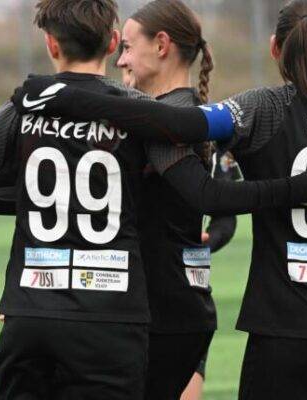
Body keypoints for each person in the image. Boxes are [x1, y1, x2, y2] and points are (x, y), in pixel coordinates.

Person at [0, 0, 307, 398]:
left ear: (50, 43)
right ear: (110, 42)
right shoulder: (144, 118)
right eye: (122, 47)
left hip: (49, 313)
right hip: (117, 317)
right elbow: (200, 194)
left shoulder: (28, 108)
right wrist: (302, 187)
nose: (124, 58)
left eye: (131, 48)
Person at [11, 0, 307, 398]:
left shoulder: (266, 107)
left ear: (275, 48)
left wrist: (69, 97)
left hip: (291, 332)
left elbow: (180, 124)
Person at [114, 1, 238, 398]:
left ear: (162, 45)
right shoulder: (196, 120)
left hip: (157, 311)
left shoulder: (177, 127)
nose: (120, 61)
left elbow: (221, 208)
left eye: (127, 47)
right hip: (184, 309)